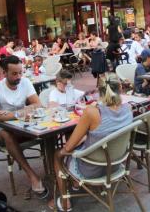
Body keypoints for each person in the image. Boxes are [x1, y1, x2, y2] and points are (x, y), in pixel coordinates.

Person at [47, 73, 132, 211]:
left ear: (99, 90)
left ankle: (65, 200)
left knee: (58, 154)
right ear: (121, 87)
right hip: (116, 165)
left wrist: (70, 148)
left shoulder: (92, 112)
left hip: (91, 170)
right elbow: (110, 132)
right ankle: (75, 184)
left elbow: (68, 147)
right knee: (80, 142)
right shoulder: (128, 108)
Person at [0, 56, 47, 198]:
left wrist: (13, 114)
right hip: (2, 131)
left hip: (23, 126)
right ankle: (31, 175)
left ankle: (53, 171)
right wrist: (21, 112)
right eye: (14, 73)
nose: (19, 76)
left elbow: (38, 104)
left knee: (48, 130)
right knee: (7, 134)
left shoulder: (25, 82)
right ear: (4, 72)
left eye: (20, 72)